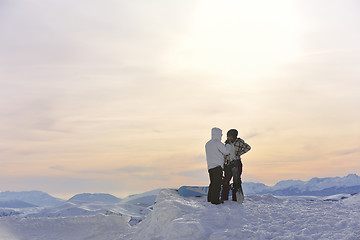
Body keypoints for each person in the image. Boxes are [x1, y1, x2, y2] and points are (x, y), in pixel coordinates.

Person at [221, 129, 251, 201]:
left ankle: (236, 198)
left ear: (234, 136)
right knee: (226, 180)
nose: (228, 138)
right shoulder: (226, 143)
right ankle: (224, 198)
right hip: (228, 163)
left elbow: (248, 147)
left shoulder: (239, 142)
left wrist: (239, 154)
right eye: (227, 136)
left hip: (236, 162)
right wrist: (223, 164)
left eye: (230, 136)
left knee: (236, 181)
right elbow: (224, 154)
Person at [205, 127, 231, 204]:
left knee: (212, 183)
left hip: (210, 166)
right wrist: (228, 144)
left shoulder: (208, 143)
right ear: (218, 134)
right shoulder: (217, 143)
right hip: (217, 166)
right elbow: (226, 152)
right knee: (217, 184)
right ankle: (215, 200)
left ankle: (210, 198)